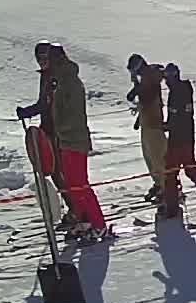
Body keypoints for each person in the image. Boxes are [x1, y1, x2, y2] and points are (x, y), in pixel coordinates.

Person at [18, 43, 107, 241]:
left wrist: (57, 129)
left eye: (47, 59)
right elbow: (47, 105)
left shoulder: (69, 83)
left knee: (78, 183)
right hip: (61, 138)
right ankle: (83, 218)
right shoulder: (55, 80)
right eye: (41, 58)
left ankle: (97, 223)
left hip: (71, 139)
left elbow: (71, 113)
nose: (45, 63)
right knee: (70, 182)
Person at [156, 60, 196, 218]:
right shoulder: (181, 90)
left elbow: (179, 117)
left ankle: (172, 208)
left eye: (167, 79)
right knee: (190, 169)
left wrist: (168, 126)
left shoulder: (178, 92)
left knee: (171, 172)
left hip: (179, 139)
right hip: (185, 136)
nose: (166, 82)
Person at [127, 54, 168, 199]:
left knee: (158, 157)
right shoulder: (145, 78)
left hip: (154, 123)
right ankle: (159, 183)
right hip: (147, 122)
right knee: (149, 156)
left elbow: (148, 97)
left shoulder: (150, 76)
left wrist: (136, 89)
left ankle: (167, 187)